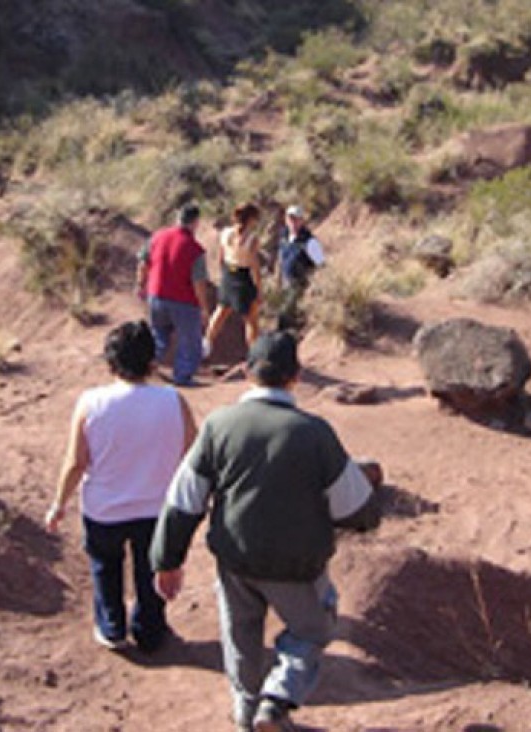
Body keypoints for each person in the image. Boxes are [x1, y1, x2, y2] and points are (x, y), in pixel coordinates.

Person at [150, 330, 380, 732]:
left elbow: (184, 498)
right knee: (312, 630)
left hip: (235, 559)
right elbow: (356, 507)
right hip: (297, 564)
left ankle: (245, 713)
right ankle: (276, 700)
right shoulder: (315, 433)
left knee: (240, 636)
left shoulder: (219, 426)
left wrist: (167, 559)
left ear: (246, 373)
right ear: (297, 375)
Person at [45, 320, 197, 652]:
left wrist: (59, 504)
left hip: (104, 509)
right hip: (157, 508)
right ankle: (150, 630)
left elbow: (76, 462)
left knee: (105, 567)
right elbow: (194, 455)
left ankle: (112, 626)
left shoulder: (91, 402)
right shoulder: (173, 401)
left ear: (110, 363)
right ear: (151, 362)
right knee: (151, 570)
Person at [136, 203, 211, 388]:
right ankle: (183, 377)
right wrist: (204, 307)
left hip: (156, 295)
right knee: (190, 340)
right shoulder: (195, 249)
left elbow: (143, 262)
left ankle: (143, 369)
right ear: (195, 222)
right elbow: (198, 282)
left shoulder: (157, 237)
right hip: (183, 301)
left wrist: (140, 284)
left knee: (158, 336)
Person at [204, 202, 262, 355]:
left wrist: (223, 275)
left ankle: (207, 343)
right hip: (243, 277)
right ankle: (254, 354)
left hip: (229, 275)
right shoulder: (252, 239)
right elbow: (254, 266)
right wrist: (258, 289)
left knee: (221, 311)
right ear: (251, 219)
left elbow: (221, 257)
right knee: (251, 320)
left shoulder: (225, 233)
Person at [276, 204, 325, 332]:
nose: (293, 222)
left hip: (301, 284)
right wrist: (278, 280)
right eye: (290, 219)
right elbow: (281, 258)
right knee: (286, 313)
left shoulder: (309, 242)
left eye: (296, 219)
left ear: (302, 221)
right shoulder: (284, 236)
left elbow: (321, 266)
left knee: (285, 314)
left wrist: (315, 289)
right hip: (287, 282)